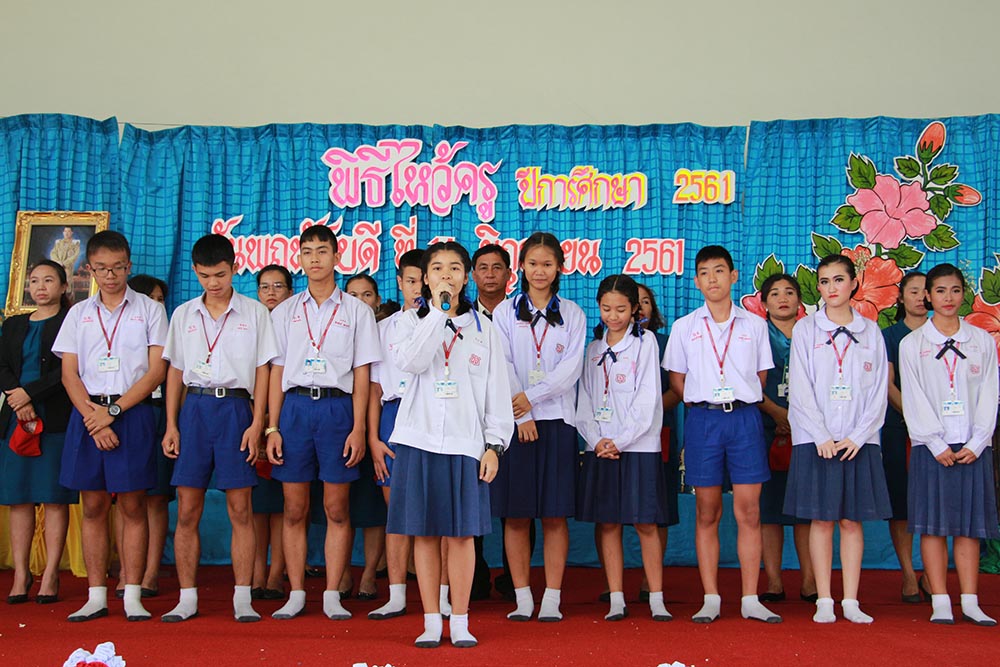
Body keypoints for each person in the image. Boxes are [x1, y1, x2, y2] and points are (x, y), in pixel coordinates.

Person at [385, 241, 514, 647]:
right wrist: (437, 314)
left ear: (466, 276)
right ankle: (429, 619)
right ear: (425, 278)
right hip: (418, 438)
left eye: (455, 268)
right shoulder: (408, 323)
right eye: (437, 268)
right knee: (424, 534)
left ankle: (459, 619)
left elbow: (496, 390)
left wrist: (495, 445)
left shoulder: (484, 329)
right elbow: (411, 362)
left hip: (465, 443)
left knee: (460, 536)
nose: (446, 275)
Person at [159, 233, 277, 623]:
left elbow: (264, 370)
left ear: (235, 269)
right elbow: (174, 372)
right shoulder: (183, 314)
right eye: (205, 276)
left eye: (221, 275)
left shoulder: (255, 313)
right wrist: (171, 424)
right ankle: (187, 597)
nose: (213, 283)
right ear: (195, 271)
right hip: (194, 408)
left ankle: (243, 596)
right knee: (187, 509)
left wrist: (258, 423)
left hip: (236, 410)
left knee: (241, 508)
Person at [265, 224, 380, 621]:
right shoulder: (285, 311)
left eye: (322, 251)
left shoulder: (356, 311)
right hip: (295, 409)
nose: (314, 259)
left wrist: (359, 428)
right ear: (299, 258)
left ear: (337, 256)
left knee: (336, 507)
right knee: (294, 508)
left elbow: (363, 374)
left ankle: (332, 593)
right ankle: (297, 592)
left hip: (337, 409)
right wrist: (272, 427)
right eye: (307, 252)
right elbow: (276, 372)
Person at [53, 230, 168, 622]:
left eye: (118, 268)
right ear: (89, 269)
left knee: (133, 505)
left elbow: (155, 372)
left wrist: (114, 412)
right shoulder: (78, 314)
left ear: (129, 266)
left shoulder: (149, 310)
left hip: (131, 413)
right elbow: (69, 373)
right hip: (88, 414)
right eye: (102, 268)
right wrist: (94, 418)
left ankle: (132, 593)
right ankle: (96, 594)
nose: (110, 275)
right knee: (94, 505)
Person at [663, 244, 779, 624]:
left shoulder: (755, 326)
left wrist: (734, 398)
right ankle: (710, 597)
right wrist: (706, 401)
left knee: (749, 511)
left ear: (733, 276)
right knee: (707, 511)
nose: (712, 279)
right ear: (696, 282)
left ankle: (750, 598)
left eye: (718, 271)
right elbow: (677, 381)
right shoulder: (684, 327)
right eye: (704, 273)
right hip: (704, 420)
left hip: (744, 420)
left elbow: (760, 378)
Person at [784, 254, 891, 624]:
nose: (831, 288)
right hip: (816, 440)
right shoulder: (805, 330)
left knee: (850, 521)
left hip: (858, 442)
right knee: (822, 520)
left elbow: (879, 391)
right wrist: (821, 435)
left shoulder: (870, 331)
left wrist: (858, 436)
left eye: (839, 280)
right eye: (825, 281)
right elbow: (800, 388)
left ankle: (850, 600)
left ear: (853, 283)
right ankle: (825, 600)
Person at [492, 232, 586, 622]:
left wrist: (533, 399)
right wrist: (522, 415)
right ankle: (522, 596)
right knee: (516, 515)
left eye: (547, 264)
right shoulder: (503, 313)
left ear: (559, 267)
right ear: (521, 267)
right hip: (516, 424)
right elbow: (501, 364)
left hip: (558, 422)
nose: (540, 271)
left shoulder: (574, 314)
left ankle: (551, 597)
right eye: (533, 263)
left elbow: (571, 369)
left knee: (554, 515)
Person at [900, 263, 999, 626]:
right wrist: (934, 441)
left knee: (969, 526)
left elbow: (990, 391)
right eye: (940, 291)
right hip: (932, 448)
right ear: (927, 296)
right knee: (933, 525)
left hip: (973, 445)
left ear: (963, 294)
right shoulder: (913, 344)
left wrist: (979, 440)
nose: (948, 298)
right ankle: (940, 600)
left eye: (955, 290)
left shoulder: (981, 341)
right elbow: (913, 397)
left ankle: (970, 601)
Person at [576, 275, 671, 622]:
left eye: (620, 309)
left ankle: (656, 597)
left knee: (645, 523)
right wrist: (596, 438)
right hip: (601, 447)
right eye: (606, 309)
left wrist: (620, 440)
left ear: (634, 310)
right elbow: (585, 400)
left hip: (638, 446)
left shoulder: (646, 344)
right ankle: (616, 597)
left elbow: (648, 400)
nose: (613, 316)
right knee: (609, 524)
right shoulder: (593, 349)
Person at [0, 260, 76, 605]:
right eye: (34, 281)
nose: (40, 287)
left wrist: (29, 395)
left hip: (55, 418)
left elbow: (69, 371)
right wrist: (18, 399)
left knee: (54, 497)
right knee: (19, 498)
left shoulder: (71, 321)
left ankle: (50, 575)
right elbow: (2, 365)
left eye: (48, 280)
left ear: (63, 286)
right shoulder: (14, 324)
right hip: (15, 419)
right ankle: (21, 574)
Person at [368, 249, 424, 620]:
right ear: (400, 282)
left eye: (422, 281)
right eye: (410, 280)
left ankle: (442, 593)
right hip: (392, 415)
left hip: (431, 416)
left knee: (435, 512)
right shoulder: (383, 329)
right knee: (397, 512)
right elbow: (374, 388)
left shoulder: (447, 324)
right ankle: (397, 594)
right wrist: (374, 438)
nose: (416, 288)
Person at [755, 274, 816, 603]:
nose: (783, 298)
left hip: (808, 430)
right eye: (775, 293)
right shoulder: (756, 335)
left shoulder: (814, 334)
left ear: (799, 301)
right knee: (770, 509)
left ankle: (809, 582)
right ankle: (774, 582)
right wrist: (777, 414)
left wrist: (797, 418)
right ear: (764, 303)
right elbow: (747, 380)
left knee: (805, 510)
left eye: (789, 292)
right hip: (766, 427)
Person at [114, 274, 172, 599]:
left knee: (156, 497)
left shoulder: (170, 331)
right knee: (127, 498)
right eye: (151, 299)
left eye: (161, 300)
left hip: (158, 413)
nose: (156, 305)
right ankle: (127, 571)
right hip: (125, 412)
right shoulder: (120, 331)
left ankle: (150, 572)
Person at [469, 243, 513, 599]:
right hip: (471, 422)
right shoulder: (461, 317)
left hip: (517, 419)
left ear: (509, 274)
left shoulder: (522, 314)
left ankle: (515, 577)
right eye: (482, 268)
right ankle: (476, 574)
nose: (490, 274)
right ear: (472, 275)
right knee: (474, 499)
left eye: (497, 267)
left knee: (517, 506)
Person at [881, 271, 928, 602]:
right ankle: (909, 574)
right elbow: (887, 384)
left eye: (926, 291)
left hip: (940, 431)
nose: (921, 297)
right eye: (913, 291)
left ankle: (932, 574)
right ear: (901, 297)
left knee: (933, 501)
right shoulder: (889, 336)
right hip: (900, 427)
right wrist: (914, 417)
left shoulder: (944, 334)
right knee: (901, 502)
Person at [342, 272, 388, 600]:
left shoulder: (388, 332)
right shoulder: (334, 330)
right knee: (340, 503)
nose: (360, 302)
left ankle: (370, 573)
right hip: (339, 422)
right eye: (353, 296)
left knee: (374, 508)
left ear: (377, 301)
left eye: (367, 295)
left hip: (380, 427)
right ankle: (342, 571)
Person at [251, 264, 293, 600]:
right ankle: (254, 574)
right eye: (265, 287)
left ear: (290, 292)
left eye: (278, 286)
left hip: (284, 421)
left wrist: (272, 419)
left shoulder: (295, 324)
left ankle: (277, 573)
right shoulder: (248, 324)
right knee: (253, 504)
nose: (271, 293)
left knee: (282, 504)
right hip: (249, 419)